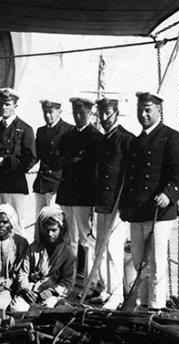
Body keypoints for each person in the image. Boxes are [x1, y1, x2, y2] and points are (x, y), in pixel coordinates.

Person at [119, 91, 179, 309]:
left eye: (148, 110)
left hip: (160, 212)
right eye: (140, 109)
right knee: (139, 263)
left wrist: (169, 193)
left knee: (156, 262)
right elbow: (129, 179)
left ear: (159, 110)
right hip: (137, 212)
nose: (143, 114)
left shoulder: (172, 137)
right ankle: (141, 304)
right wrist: (125, 207)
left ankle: (156, 306)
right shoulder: (136, 142)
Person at [91, 98, 135, 308]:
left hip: (118, 205)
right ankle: (106, 288)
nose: (105, 118)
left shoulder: (126, 139)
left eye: (108, 113)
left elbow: (131, 176)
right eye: (102, 113)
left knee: (112, 249)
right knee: (100, 246)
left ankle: (117, 295)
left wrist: (124, 203)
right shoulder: (102, 140)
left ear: (116, 113)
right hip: (103, 202)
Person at [56, 97, 103, 278]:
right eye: (75, 112)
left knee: (86, 237)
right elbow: (58, 159)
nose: (77, 116)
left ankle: (90, 276)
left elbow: (95, 167)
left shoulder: (96, 137)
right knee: (68, 237)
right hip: (67, 193)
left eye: (81, 112)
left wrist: (75, 162)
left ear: (89, 113)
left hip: (84, 194)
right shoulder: (68, 136)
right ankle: (70, 274)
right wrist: (75, 161)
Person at [0, 88, 36, 235]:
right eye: (1, 104)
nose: (4, 107)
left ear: (15, 106)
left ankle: (20, 257)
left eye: (7, 104)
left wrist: (7, 161)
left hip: (15, 184)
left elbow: (30, 158)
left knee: (17, 225)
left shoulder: (25, 129)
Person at [10, 204, 76, 311]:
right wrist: (25, 289)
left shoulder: (67, 253)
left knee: (48, 309)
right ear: (41, 229)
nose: (50, 234)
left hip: (52, 292)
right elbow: (23, 273)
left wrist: (52, 291)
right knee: (17, 308)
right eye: (47, 230)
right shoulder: (32, 249)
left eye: (54, 230)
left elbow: (67, 281)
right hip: (32, 289)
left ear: (61, 230)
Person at [33, 99, 73, 216]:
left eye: (51, 112)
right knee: (40, 220)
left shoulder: (68, 130)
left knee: (54, 220)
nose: (47, 115)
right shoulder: (41, 131)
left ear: (59, 111)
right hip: (41, 184)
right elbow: (35, 156)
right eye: (45, 112)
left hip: (57, 184)